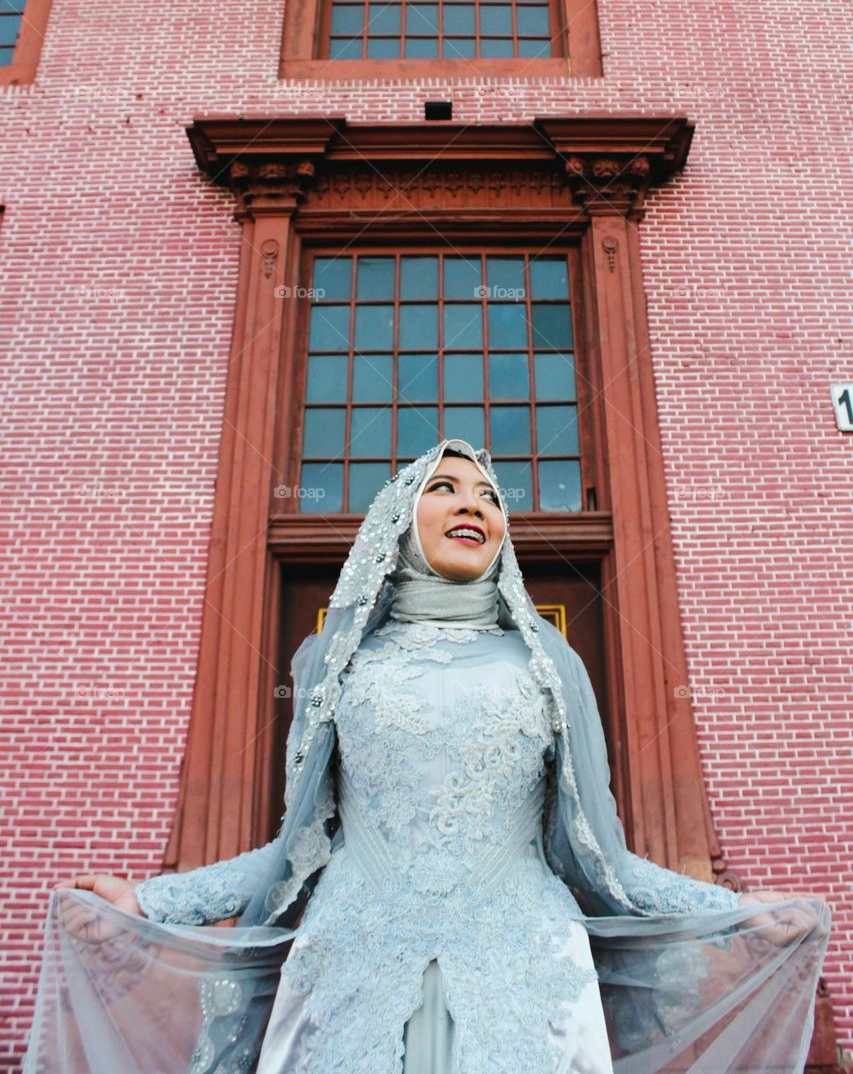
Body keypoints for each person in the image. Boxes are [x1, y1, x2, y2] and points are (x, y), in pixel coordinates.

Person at [26, 438, 831, 1074]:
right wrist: (152, 905)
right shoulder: (333, 664)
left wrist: (733, 913)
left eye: (488, 494)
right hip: (350, 965)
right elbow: (299, 849)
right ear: (395, 522)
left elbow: (602, 863)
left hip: (526, 970)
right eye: (442, 488)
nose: (471, 503)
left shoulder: (552, 664)